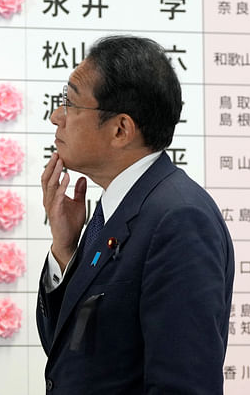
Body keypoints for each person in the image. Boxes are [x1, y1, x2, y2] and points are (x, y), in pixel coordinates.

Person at [36, 35, 235, 394]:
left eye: (70, 103)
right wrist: (65, 252)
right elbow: (70, 352)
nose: (56, 116)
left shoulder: (179, 219)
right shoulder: (118, 209)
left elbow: (183, 385)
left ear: (120, 129)